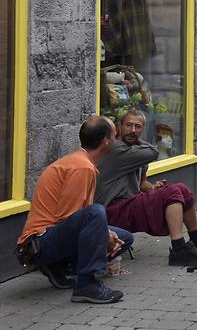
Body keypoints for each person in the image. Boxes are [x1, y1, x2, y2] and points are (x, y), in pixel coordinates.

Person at [16, 116, 131, 304]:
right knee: (96, 213)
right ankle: (86, 284)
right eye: (114, 134)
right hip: (39, 243)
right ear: (106, 141)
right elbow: (68, 218)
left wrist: (105, 234)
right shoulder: (81, 167)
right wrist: (104, 235)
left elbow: (77, 218)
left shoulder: (82, 162)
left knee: (125, 238)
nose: (116, 138)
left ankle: (60, 266)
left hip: (54, 236)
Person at [96, 110, 197, 266]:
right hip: (112, 210)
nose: (133, 130)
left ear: (143, 129)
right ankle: (179, 248)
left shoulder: (138, 152)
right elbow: (154, 152)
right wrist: (138, 140)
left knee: (181, 188)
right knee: (172, 192)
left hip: (129, 204)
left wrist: (154, 187)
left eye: (138, 127)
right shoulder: (116, 149)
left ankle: (195, 237)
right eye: (129, 125)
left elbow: (142, 184)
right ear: (119, 127)